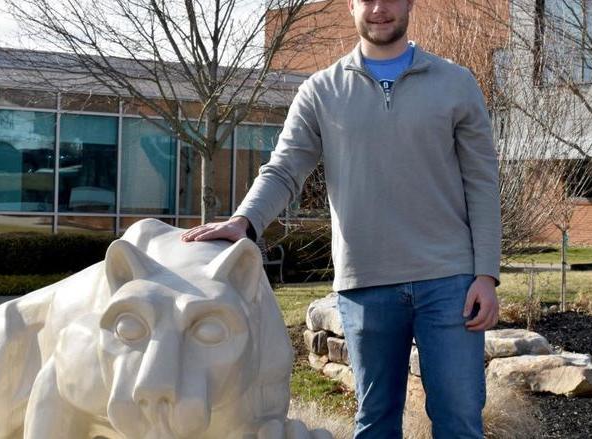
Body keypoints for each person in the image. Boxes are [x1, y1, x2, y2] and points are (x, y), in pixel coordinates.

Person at [181, 0, 501, 436]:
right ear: (351, 6)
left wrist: (486, 274)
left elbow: (482, 182)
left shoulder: (456, 83)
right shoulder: (320, 91)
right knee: (374, 424)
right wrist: (244, 221)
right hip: (365, 283)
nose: (379, 8)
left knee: (460, 422)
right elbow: (284, 168)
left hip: (450, 281)